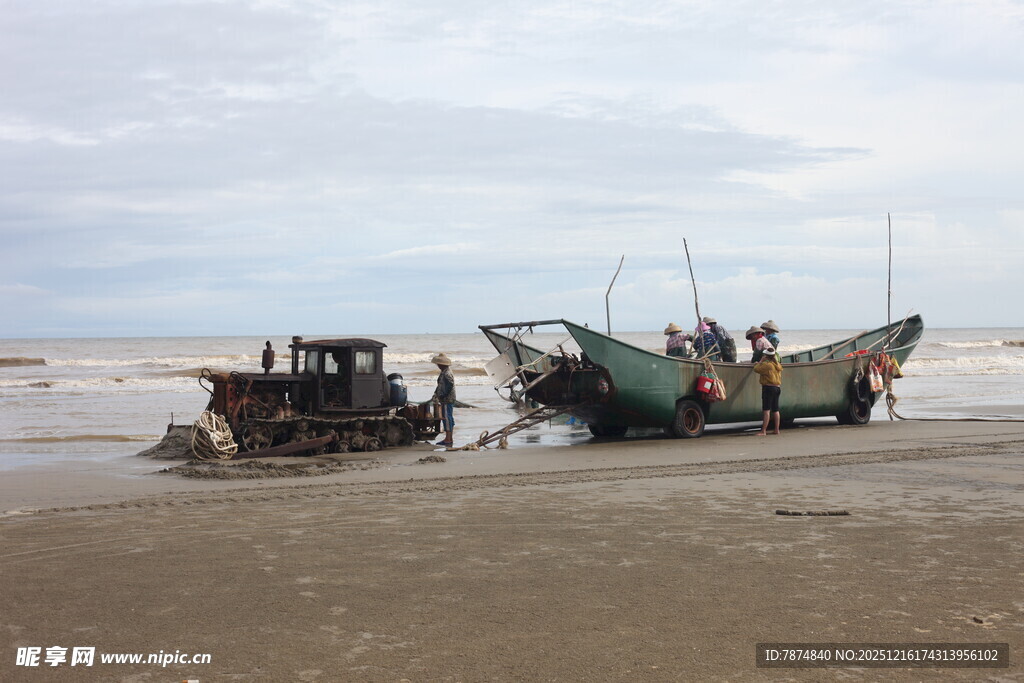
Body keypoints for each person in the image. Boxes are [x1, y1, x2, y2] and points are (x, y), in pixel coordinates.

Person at [753, 345, 782, 435]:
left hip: (768, 388)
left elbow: (756, 369)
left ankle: (763, 430)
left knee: (766, 410)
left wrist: (760, 361)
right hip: (777, 388)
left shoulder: (767, 365)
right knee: (775, 410)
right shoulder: (777, 365)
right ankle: (777, 429)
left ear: (766, 356)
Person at [431, 352, 456, 447]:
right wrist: (436, 393)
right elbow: (440, 385)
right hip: (445, 398)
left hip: (447, 399)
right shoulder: (444, 372)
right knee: (448, 417)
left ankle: (448, 439)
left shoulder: (447, 373)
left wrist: (443, 395)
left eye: (438, 364)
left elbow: (450, 384)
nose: (437, 365)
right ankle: (449, 438)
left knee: (447, 418)